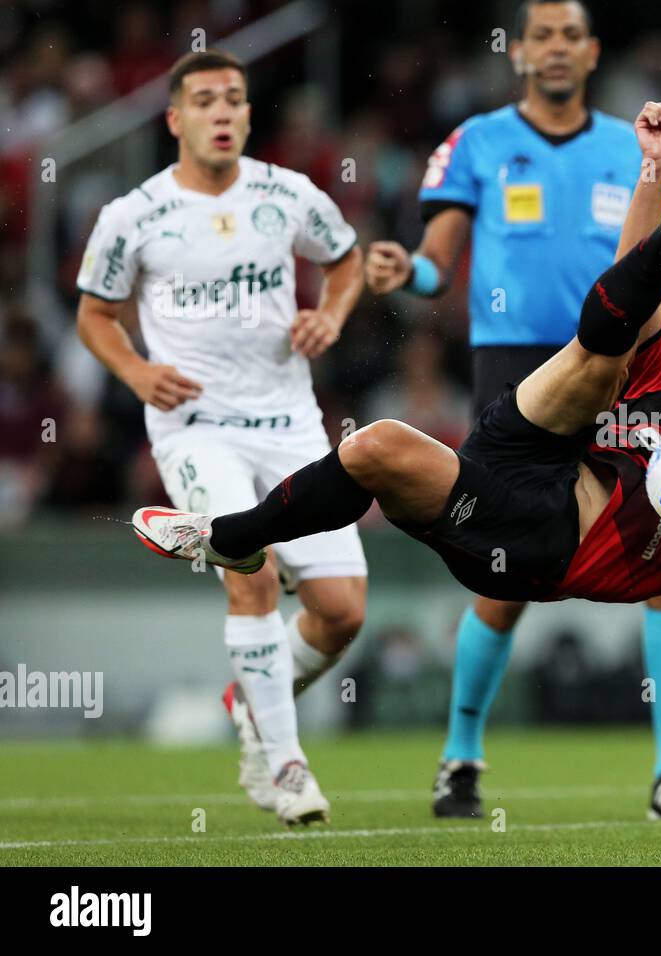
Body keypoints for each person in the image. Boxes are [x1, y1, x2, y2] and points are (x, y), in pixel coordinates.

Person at [133, 102, 661, 846]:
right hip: (521, 454)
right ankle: (232, 539)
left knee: (600, 356)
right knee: (379, 444)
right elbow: (628, 284)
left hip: (544, 543)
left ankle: (637, 768)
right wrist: (654, 170)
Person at [364, 0, 661, 820]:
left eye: (570, 36)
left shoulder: (635, 144)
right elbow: (436, 265)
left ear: (591, 52)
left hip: (618, 362)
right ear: (518, 51)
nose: (554, 49)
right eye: (540, 35)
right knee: (504, 577)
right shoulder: (477, 141)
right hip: (517, 378)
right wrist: (404, 273)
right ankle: (462, 758)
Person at [78, 50, 367, 826]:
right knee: (253, 571)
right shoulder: (131, 214)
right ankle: (284, 762)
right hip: (195, 426)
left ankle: (252, 699)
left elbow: (346, 264)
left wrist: (329, 317)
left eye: (234, 100)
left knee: (341, 610)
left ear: (246, 114)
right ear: (175, 119)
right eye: (204, 100)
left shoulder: (289, 193)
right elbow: (93, 316)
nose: (221, 112)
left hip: (290, 421)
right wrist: (138, 375)